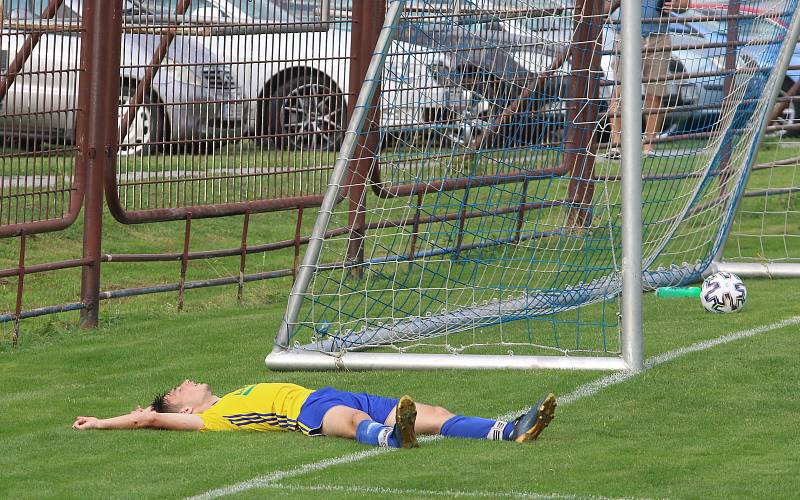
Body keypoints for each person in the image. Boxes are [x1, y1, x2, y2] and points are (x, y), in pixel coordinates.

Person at [72, 380, 557, 448]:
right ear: (184, 407)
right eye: (179, 390)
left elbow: (153, 414)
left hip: (323, 391)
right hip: (307, 410)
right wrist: (103, 421)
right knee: (347, 422)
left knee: (432, 410)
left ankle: (506, 430)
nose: (186, 383)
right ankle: (392, 439)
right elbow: (151, 419)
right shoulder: (208, 419)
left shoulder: (228, 396)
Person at [606, 0, 691, 158]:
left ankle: (648, 146)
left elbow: (684, 5)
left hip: (659, 36)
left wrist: (676, 5)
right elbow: (604, 8)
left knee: (656, 93)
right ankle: (616, 146)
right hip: (627, 34)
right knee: (620, 92)